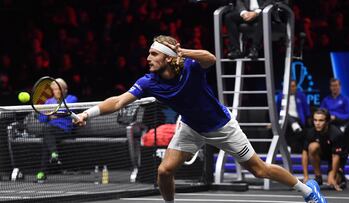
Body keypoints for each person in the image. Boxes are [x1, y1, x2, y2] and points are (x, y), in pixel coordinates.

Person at [75, 35, 327, 203]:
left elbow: (211, 58)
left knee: (259, 169)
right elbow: (118, 101)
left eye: (153, 54)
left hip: (222, 127)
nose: (148, 58)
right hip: (190, 127)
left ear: (167, 57)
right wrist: (88, 113)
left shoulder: (190, 67)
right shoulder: (148, 82)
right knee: (165, 170)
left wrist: (182, 51)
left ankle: (307, 190)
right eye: (148, 54)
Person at [36, 78, 78, 183]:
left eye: (59, 89)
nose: (57, 91)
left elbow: (68, 113)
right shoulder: (48, 101)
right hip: (51, 131)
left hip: (65, 131)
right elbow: (42, 118)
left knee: (47, 133)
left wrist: (52, 114)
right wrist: (50, 115)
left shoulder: (72, 99)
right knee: (47, 133)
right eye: (54, 89)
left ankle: (42, 172)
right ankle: (53, 155)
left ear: (65, 90)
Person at [303, 108, 348, 191]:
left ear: (327, 121)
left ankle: (340, 177)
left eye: (321, 120)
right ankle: (318, 177)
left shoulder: (336, 133)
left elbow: (336, 156)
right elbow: (305, 152)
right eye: (315, 120)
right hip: (323, 152)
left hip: (338, 156)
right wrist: (306, 176)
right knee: (312, 146)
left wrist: (333, 175)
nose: (317, 123)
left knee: (331, 182)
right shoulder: (311, 132)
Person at [276, 80, 311, 153]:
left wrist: (308, 121)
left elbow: (307, 110)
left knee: (287, 117)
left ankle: (287, 147)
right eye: (290, 86)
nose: (292, 88)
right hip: (284, 120)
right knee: (285, 115)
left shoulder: (301, 95)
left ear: (296, 87)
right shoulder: (280, 96)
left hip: (299, 120)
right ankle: (293, 124)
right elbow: (277, 111)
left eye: (293, 86)